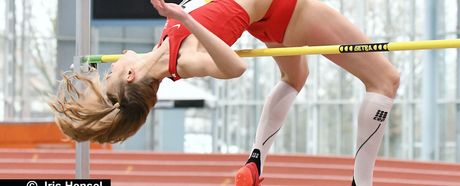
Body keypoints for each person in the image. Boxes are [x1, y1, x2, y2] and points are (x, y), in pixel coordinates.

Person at [49, 0, 400, 186]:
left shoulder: (164, 44)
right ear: (130, 74)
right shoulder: (183, 60)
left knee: (295, 77)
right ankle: (361, 183)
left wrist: (181, 17)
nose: (113, 63)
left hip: (270, 18)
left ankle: (256, 161)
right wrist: (184, 18)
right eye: (110, 74)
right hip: (291, 10)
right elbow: (235, 67)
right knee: (385, 79)